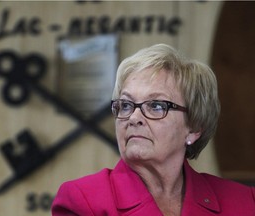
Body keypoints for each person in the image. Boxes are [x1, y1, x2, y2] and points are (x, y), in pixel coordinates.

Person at [51, 44, 255, 216]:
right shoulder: (82, 201)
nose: (134, 118)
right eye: (126, 105)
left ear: (194, 128)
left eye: (156, 106)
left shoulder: (245, 203)